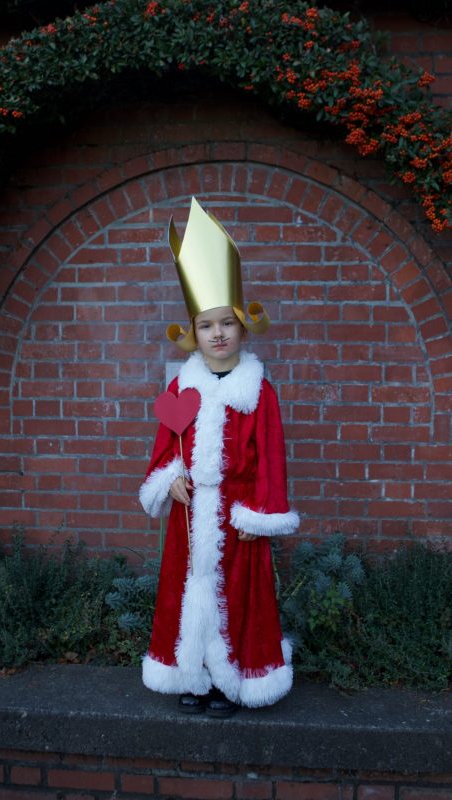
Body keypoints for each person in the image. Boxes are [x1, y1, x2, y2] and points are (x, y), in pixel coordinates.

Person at [139, 197, 299, 716]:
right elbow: (166, 447)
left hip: (237, 513)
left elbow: (272, 457)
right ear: (194, 332)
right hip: (190, 516)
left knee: (239, 599)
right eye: (206, 325)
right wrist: (169, 479)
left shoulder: (260, 391)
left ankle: (237, 681)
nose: (218, 334)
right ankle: (195, 677)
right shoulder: (182, 387)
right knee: (188, 596)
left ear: (243, 327)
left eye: (227, 323)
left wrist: (262, 514)